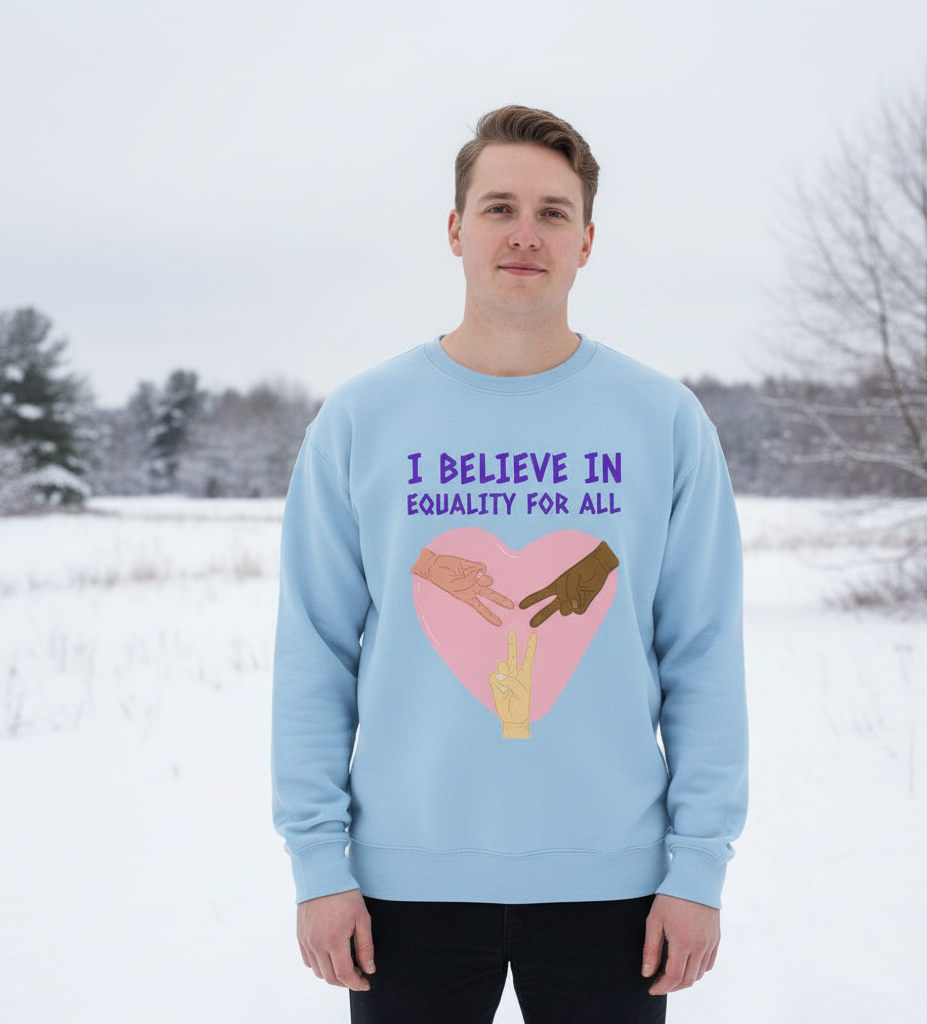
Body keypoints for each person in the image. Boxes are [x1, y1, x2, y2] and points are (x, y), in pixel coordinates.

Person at [271, 105, 748, 1024]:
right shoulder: (364, 419)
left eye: (553, 212)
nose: (525, 233)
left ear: (588, 240)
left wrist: (698, 867)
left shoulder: (662, 420)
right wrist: (317, 864)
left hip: (619, 889)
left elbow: (703, 654)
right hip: (399, 891)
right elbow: (314, 653)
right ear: (455, 231)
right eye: (498, 208)